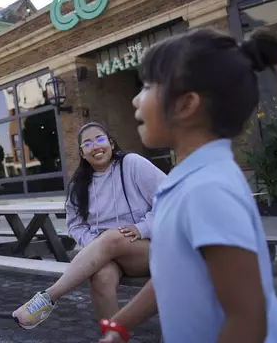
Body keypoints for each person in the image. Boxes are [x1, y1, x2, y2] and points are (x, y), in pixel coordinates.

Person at [99, 28, 277, 342]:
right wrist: (120, 324)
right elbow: (172, 274)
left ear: (185, 105)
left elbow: (247, 320)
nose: (136, 98)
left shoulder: (207, 190)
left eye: (148, 86)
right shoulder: (190, 181)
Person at [12, 122, 166, 329]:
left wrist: (142, 228)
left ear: (111, 143)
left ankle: (49, 297)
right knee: (100, 278)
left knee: (111, 238)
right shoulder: (79, 185)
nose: (96, 146)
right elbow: (75, 225)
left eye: (100, 139)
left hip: (150, 249)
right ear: (82, 153)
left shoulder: (132, 164)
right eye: (88, 144)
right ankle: (113, 337)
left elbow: (170, 199)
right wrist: (96, 245)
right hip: (110, 254)